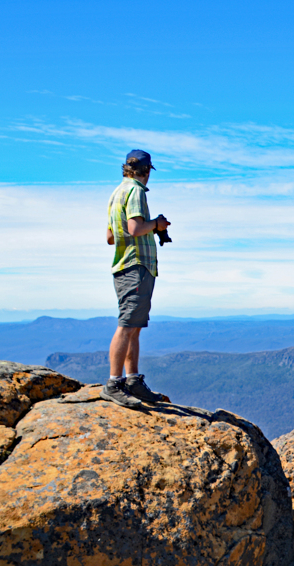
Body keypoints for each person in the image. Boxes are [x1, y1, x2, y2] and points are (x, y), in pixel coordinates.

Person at [103, 149, 170, 407]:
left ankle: (132, 381)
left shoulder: (115, 194)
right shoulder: (136, 192)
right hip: (137, 264)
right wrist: (157, 225)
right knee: (127, 326)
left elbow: (111, 237)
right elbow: (135, 228)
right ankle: (114, 384)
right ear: (146, 172)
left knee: (134, 327)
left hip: (122, 263)